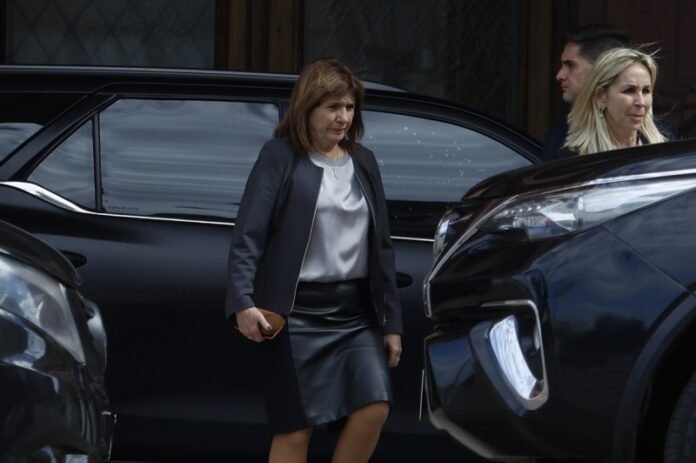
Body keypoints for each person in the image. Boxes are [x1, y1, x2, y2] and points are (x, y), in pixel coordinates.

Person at [225, 58, 403, 463]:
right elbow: (249, 233)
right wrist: (242, 301)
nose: (343, 117)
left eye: (350, 107)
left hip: (356, 314)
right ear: (308, 107)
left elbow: (383, 247)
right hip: (295, 314)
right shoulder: (279, 156)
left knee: (374, 408)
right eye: (332, 107)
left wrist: (392, 323)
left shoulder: (364, 161)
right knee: (295, 428)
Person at [542, 24, 630, 160]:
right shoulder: (558, 136)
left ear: (602, 69)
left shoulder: (656, 138)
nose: (559, 75)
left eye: (570, 65)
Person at [562, 47, 665, 155]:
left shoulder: (664, 150)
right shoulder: (574, 158)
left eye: (646, 91)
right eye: (629, 90)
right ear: (600, 96)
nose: (641, 102)